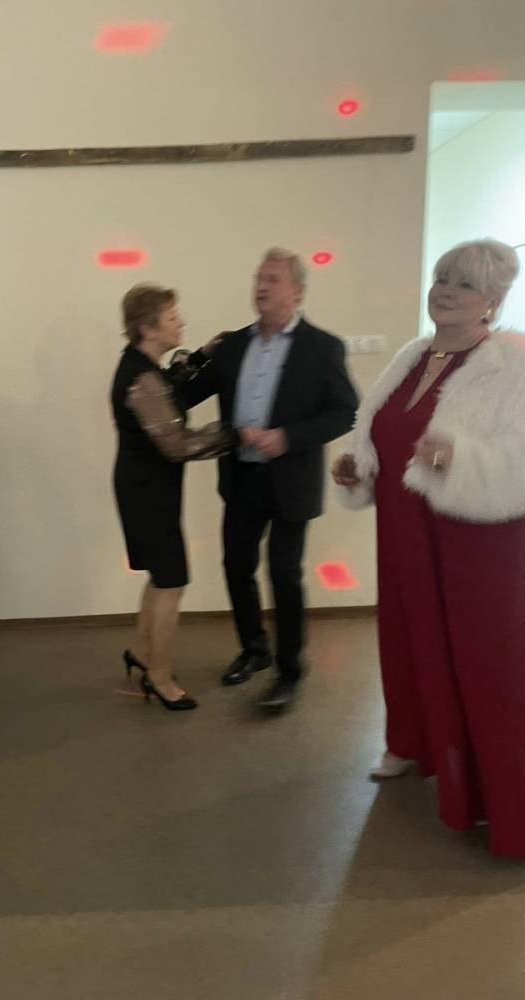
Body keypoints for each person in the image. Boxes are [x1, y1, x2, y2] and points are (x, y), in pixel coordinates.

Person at [332, 238, 525, 857]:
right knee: (407, 634)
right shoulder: (412, 357)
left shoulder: (511, 362)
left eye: (465, 284)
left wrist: (458, 457)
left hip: (474, 540)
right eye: (443, 278)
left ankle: (500, 798)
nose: (446, 292)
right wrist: (358, 466)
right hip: (405, 529)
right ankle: (413, 742)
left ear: (492, 300)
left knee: (484, 659)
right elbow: (379, 436)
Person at [177, 248, 358, 709]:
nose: (261, 286)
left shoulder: (323, 347)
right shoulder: (233, 345)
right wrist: (196, 356)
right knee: (237, 567)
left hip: (291, 480)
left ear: (297, 291)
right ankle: (254, 650)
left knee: (284, 574)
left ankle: (289, 671)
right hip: (241, 477)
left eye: (272, 279)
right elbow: (183, 396)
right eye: (258, 278)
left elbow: (344, 412)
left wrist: (288, 437)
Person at [111, 284, 250, 711]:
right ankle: (159, 676)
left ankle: (141, 651)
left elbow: (168, 389)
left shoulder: (142, 367)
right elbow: (176, 444)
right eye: (172, 317)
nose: (180, 323)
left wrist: (202, 355)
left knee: (161, 577)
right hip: (148, 492)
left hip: (145, 487)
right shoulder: (141, 379)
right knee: (172, 582)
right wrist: (235, 435)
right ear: (148, 328)